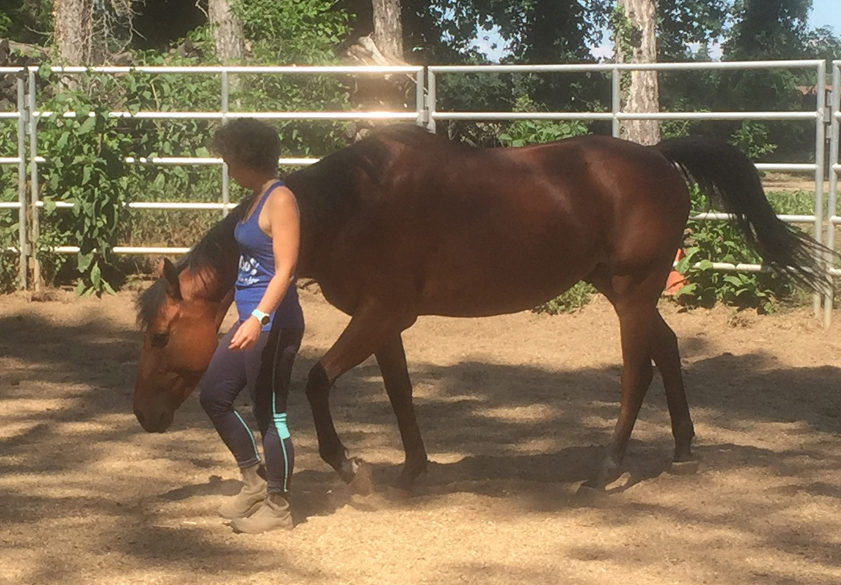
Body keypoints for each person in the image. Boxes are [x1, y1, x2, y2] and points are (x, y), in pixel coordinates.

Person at [199, 118, 305, 534]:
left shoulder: (280, 200)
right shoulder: (253, 199)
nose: (227, 166)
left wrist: (259, 317)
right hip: (248, 321)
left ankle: (279, 507)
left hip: (273, 324)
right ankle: (255, 481)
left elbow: (287, 269)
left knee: (271, 415)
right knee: (213, 396)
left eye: (229, 158)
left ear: (248, 157)